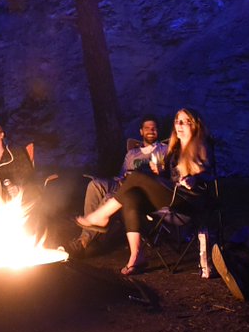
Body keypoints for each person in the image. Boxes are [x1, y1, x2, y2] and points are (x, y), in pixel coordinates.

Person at [77, 108, 215, 276]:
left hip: (188, 202)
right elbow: (169, 178)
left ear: (194, 125)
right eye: (177, 121)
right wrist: (159, 172)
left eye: (184, 122)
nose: (179, 125)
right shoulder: (174, 150)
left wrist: (194, 180)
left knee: (137, 176)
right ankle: (137, 256)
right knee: (130, 196)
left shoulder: (201, 146)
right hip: (170, 197)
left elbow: (209, 176)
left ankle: (101, 215)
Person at [67, 117, 168, 256]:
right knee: (95, 185)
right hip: (123, 183)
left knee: (110, 197)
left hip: (140, 190)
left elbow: (162, 174)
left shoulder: (162, 150)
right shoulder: (132, 153)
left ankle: (84, 241)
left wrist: (157, 170)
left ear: (158, 131)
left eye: (154, 128)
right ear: (141, 131)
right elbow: (121, 174)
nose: (151, 130)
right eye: (147, 128)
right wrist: (119, 179)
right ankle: (94, 232)